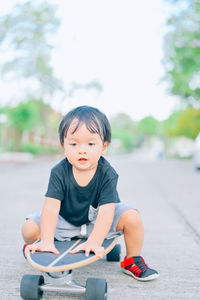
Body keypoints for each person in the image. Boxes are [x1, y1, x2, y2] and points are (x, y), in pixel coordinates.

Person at [22, 105, 159, 281]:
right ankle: (37, 245)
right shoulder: (59, 171)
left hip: (97, 222)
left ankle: (132, 260)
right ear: (64, 146)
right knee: (29, 228)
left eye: (91, 143)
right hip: (64, 222)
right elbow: (50, 208)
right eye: (73, 143)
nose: (82, 150)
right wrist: (47, 239)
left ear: (104, 147)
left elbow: (107, 212)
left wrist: (95, 240)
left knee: (132, 216)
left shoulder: (107, 173)